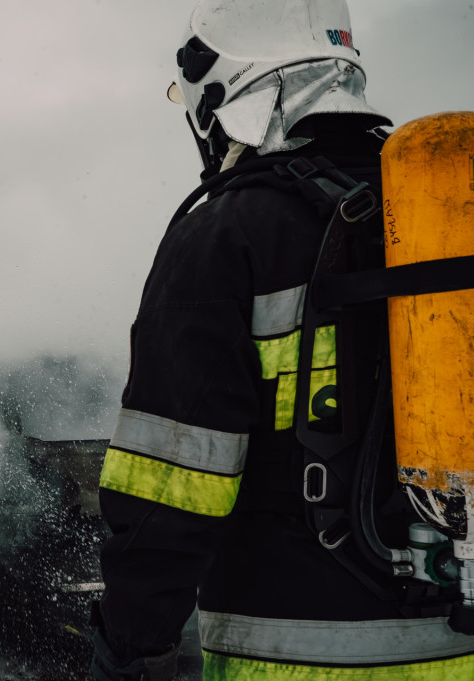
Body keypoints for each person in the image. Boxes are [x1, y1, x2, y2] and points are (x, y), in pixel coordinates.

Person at [90, 1, 474, 680]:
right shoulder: (444, 221)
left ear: (223, 92)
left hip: (289, 656)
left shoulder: (225, 237)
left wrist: (129, 644)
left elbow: (170, 488)